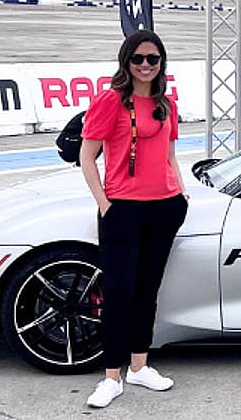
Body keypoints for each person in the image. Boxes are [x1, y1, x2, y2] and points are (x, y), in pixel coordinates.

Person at [80, 29, 188, 409]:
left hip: (165, 207)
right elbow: (87, 156)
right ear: (126, 61)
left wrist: (181, 191)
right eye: (138, 58)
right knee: (119, 293)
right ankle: (111, 376)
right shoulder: (110, 101)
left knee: (148, 290)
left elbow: (170, 153)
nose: (145, 65)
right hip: (122, 208)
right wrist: (104, 203)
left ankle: (139, 367)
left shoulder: (166, 103)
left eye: (152, 59)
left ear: (161, 63)